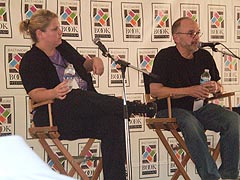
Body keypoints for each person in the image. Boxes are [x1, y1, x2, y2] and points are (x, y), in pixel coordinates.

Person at [19, 9, 155, 180]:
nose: (60, 32)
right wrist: (53, 92)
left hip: (84, 111)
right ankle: (132, 107)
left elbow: (83, 64)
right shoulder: (31, 60)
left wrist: (94, 62)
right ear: (40, 33)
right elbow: (35, 95)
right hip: (54, 115)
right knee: (74, 95)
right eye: (55, 29)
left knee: (113, 123)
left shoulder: (63, 47)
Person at [149, 17, 239, 180]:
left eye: (197, 32)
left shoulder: (204, 56)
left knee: (234, 120)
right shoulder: (165, 57)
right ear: (176, 37)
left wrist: (216, 88)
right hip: (170, 110)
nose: (196, 37)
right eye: (191, 33)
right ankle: (211, 177)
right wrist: (189, 91)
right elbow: (155, 91)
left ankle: (229, 175)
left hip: (200, 109)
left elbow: (219, 87)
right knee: (190, 122)